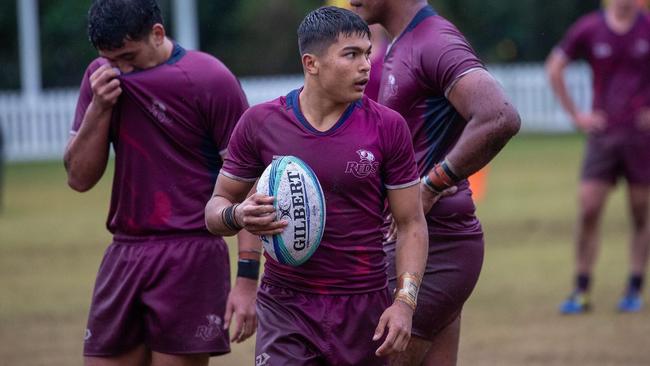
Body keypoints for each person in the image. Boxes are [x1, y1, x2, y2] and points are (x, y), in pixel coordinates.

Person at [205, 6, 428, 366]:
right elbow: (214, 209)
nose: (366, 66)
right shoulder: (260, 124)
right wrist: (238, 214)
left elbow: (411, 223)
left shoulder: (388, 127)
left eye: (367, 53)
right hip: (285, 305)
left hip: (362, 307)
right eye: (351, 54)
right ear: (312, 63)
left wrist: (404, 302)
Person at [64, 0, 254, 365]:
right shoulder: (101, 78)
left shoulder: (210, 79)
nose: (120, 68)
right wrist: (98, 108)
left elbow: (246, 187)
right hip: (125, 252)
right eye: (109, 58)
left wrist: (247, 280)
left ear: (157, 34)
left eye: (128, 56)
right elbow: (78, 179)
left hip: (191, 254)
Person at [350, 1, 521, 365]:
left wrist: (429, 185)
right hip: (431, 242)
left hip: (437, 242)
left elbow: (500, 116)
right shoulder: (402, 43)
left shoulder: (434, 41)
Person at [546, 0, 650, 314]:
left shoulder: (647, 26)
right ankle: (581, 288)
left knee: (640, 213)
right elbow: (554, 67)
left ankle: (634, 286)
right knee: (589, 208)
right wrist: (577, 115)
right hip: (602, 136)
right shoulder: (590, 28)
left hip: (641, 138)